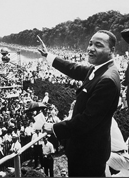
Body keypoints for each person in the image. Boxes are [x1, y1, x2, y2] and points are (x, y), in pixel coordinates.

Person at [38, 30, 121, 177]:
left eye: (98, 45)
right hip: (85, 149)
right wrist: (48, 56)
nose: (91, 48)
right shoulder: (100, 69)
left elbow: (87, 120)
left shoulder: (107, 79)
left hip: (89, 154)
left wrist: (55, 127)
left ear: (111, 50)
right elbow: (74, 69)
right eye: (90, 44)